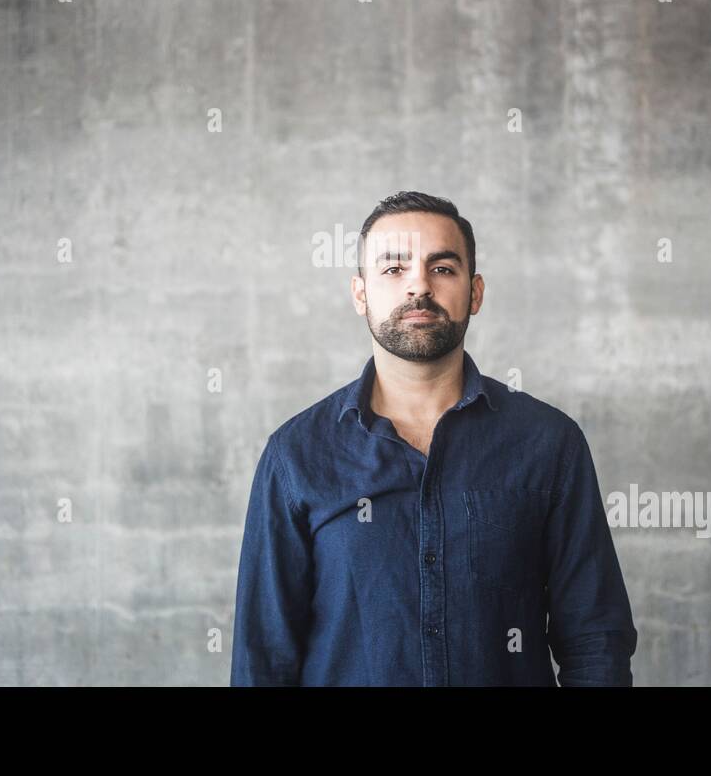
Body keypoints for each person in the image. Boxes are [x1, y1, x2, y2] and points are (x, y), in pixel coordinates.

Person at [230, 191, 637, 685]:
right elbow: (263, 657)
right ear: (360, 293)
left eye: (442, 268)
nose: (418, 286)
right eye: (393, 269)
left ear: (475, 292)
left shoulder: (549, 444)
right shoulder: (296, 456)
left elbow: (596, 641)